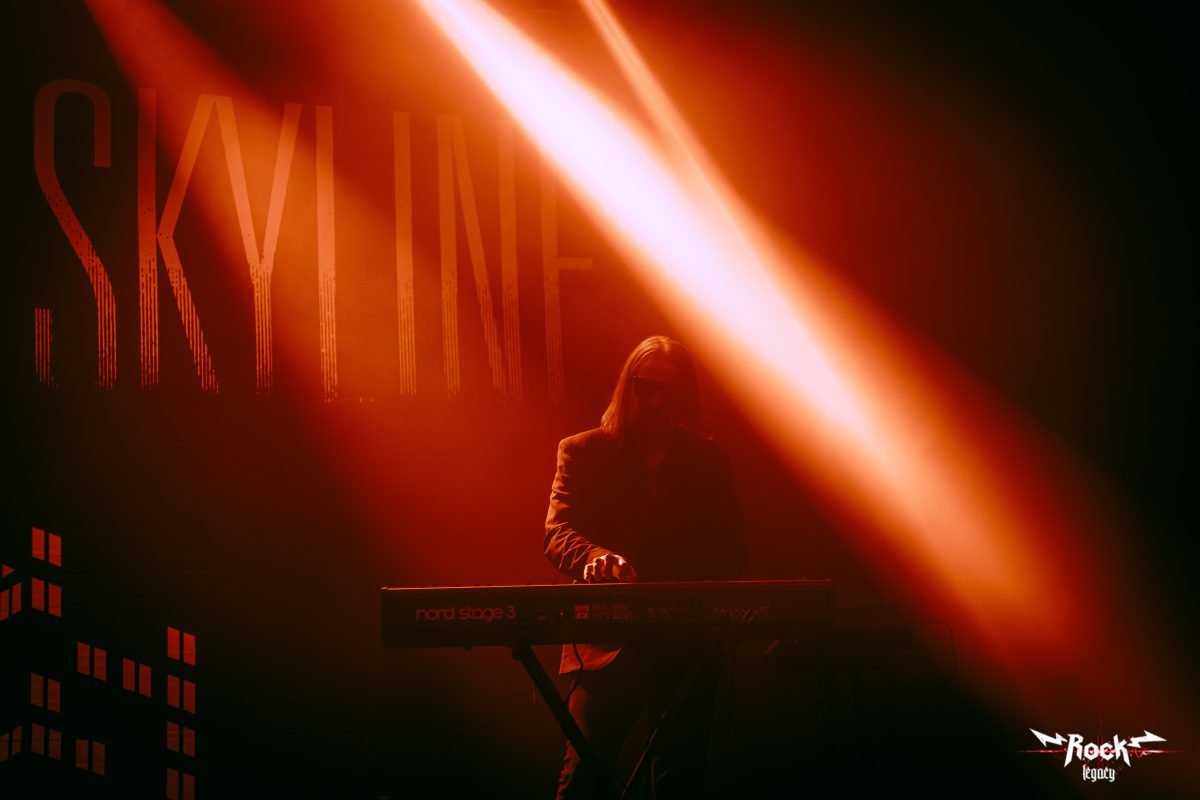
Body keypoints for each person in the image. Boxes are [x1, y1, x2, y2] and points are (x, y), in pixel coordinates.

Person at [544, 335, 746, 799]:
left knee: (679, 780)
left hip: (686, 641)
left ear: (685, 400)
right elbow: (558, 532)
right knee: (585, 778)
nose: (656, 401)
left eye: (669, 393)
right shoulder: (582, 452)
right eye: (646, 387)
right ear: (626, 388)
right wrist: (594, 558)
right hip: (606, 643)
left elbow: (732, 550)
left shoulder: (709, 462)